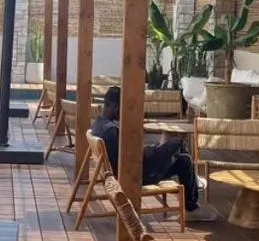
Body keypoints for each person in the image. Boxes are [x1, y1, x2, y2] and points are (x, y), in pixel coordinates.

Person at [91, 87, 215, 221]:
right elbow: (126, 164)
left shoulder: (99, 124)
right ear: (115, 107)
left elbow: (124, 157)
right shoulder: (111, 131)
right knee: (178, 143)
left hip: (135, 170)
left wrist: (149, 150)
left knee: (184, 161)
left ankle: (192, 206)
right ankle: (194, 189)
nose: (124, 112)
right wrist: (148, 153)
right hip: (139, 175)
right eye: (123, 107)